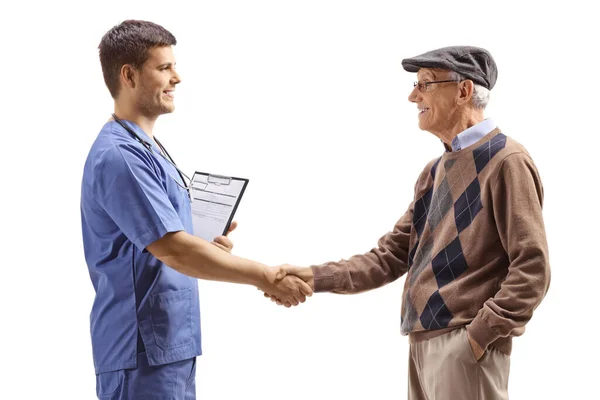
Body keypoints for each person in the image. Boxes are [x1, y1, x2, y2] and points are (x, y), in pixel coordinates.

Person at [268, 46, 551, 400]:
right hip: (423, 344)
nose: (412, 95)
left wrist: (480, 336)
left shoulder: (507, 160)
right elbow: (389, 257)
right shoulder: (434, 172)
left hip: (464, 346)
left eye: (425, 84)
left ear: (463, 91)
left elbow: (532, 267)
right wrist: (312, 276)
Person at [81, 20, 312, 400]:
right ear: (129, 75)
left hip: (169, 345)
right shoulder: (121, 156)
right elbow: (175, 250)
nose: (178, 78)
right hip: (140, 351)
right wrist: (265, 276)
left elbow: (173, 243)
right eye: (164, 68)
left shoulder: (148, 149)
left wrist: (203, 245)